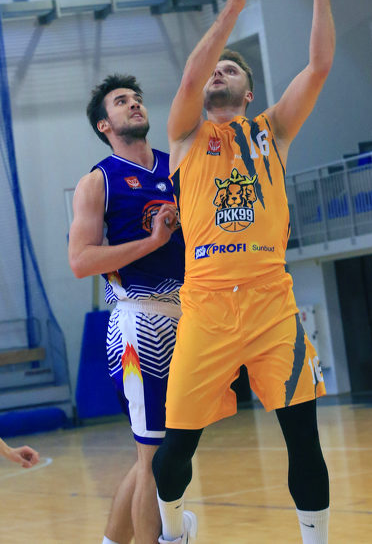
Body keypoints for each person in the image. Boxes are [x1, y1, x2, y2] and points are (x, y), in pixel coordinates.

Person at [152, 0, 347, 544]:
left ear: (249, 92)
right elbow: (192, 72)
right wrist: (231, 9)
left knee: (304, 441)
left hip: (271, 306)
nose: (218, 72)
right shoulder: (185, 135)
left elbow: (319, 67)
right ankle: (174, 529)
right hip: (205, 308)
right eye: (216, 67)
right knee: (173, 454)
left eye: (231, 69)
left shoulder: (273, 132)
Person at [68, 74, 184, 544]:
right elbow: (81, 261)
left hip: (191, 314)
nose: (135, 104)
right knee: (154, 455)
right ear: (104, 124)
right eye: (121, 101)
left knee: (160, 454)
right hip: (140, 322)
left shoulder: (178, 166)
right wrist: (152, 242)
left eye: (137, 98)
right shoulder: (98, 181)